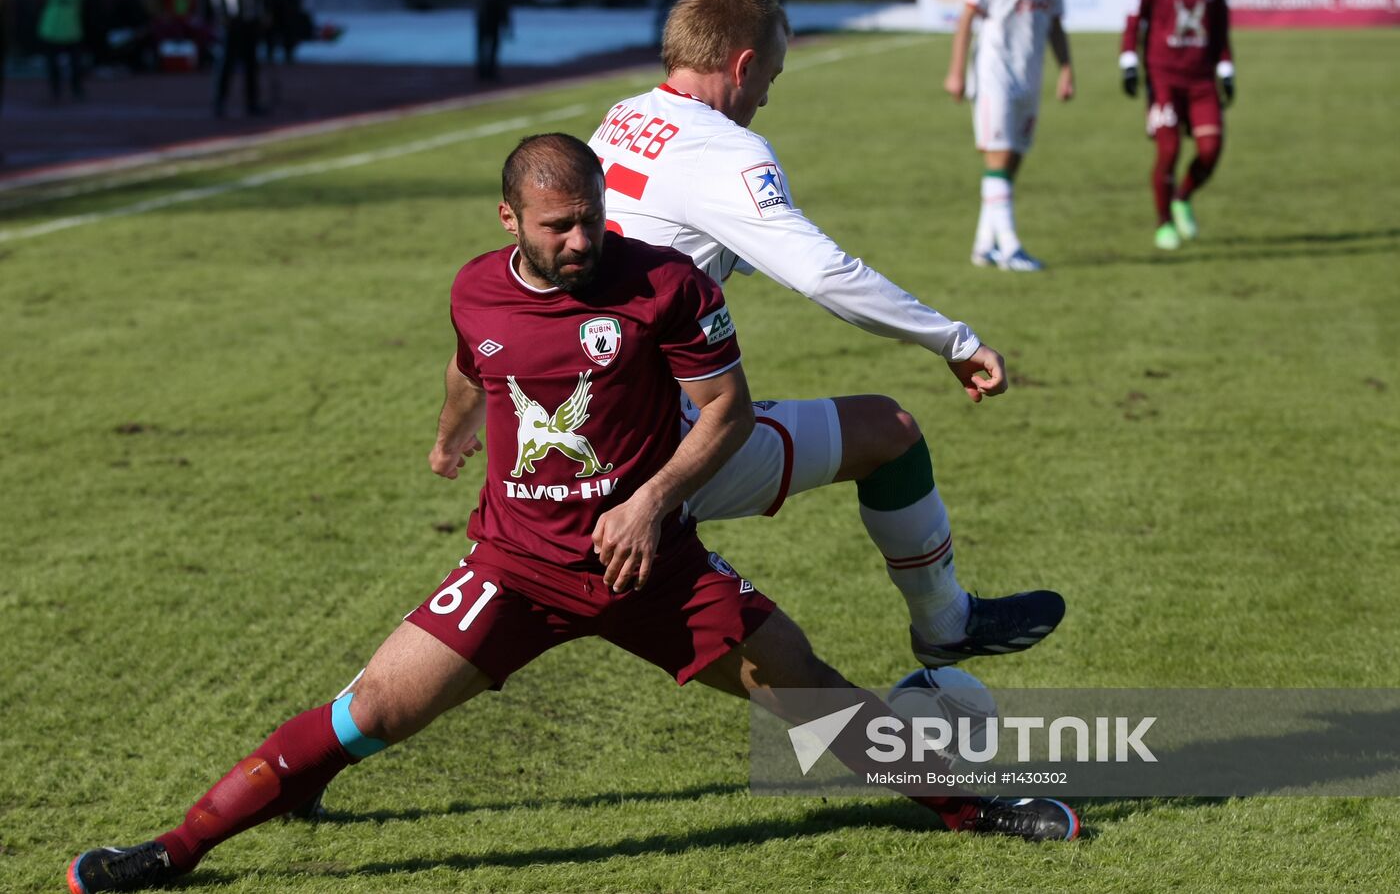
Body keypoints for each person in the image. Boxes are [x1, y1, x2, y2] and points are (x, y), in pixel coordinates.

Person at [65, 134, 1079, 892]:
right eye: (559, 226)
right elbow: (472, 365)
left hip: (654, 566)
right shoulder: (475, 291)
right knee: (368, 712)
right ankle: (173, 849)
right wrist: (449, 432)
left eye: (591, 216)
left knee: (803, 685)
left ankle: (970, 808)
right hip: (514, 566)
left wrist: (651, 502)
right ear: (509, 221)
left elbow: (724, 413)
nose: (583, 238)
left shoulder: (666, 286)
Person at [589, 0, 1065, 669]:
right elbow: (824, 274)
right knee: (891, 432)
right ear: (743, 64)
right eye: (771, 76)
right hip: (651, 454)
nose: (768, 95)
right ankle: (946, 622)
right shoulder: (726, 149)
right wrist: (954, 340)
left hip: (568, 437)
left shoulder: (619, 118)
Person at [944, 0, 1073, 271]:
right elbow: (967, 18)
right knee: (998, 157)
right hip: (994, 74)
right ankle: (1010, 247)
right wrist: (956, 71)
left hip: (1030, 76)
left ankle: (984, 245)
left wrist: (1067, 69)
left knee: (1012, 160)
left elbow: (1055, 23)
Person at [1119, 0, 1233, 251]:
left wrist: (1226, 67)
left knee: (1211, 149)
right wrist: (1129, 61)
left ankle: (1182, 197)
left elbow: (1220, 26)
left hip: (1202, 80)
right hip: (1163, 79)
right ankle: (1164, 222)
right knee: (1169, 151)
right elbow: (1134, 19)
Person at [208, 0, 265, 117]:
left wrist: (263, 11)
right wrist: (222, 14)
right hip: (233, 19)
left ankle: (252, 102)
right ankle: (219, 101)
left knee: (252, 61)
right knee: (227, 60)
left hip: (251, 18)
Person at [38, 0, 85, 101]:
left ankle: (77, 89)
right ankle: (55, 90)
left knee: (76, 64)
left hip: (72, 31)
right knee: (53, 65)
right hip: (52, 31)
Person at [474, 0, 510, 82]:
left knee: (496, 36)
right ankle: (481, 69)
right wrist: (477, 0)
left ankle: (492, 69)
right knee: (483, 37)